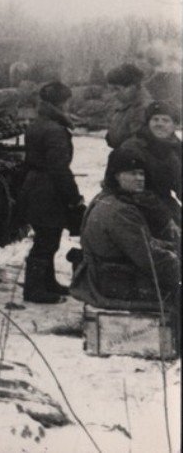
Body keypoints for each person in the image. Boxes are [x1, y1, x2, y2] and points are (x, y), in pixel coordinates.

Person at [70, 147, 180, 343]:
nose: (139, 179)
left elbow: (143, 244)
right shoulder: (120, 211)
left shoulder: (107, 198)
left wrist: (173, 249)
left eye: (141, 174)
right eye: (132, 173)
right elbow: (148, 258)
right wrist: (176, 268)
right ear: (116, 176)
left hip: (105, 275)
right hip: (113, 283)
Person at [16, 81, 85, 304]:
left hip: (36, 186)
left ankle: (47, 282)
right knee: (46, 241)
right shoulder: (55, 130)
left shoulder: (39, 123)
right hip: (48, 190)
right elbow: (59, 169)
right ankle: (35, 289)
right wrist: (73, 198)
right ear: (63, 102)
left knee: (48, 237)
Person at [121, 101, 181, 227]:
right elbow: (133, 190)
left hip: (163, 201)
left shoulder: (176, 148)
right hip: (132, 205)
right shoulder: (133, 148)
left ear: (174, 125)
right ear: (148, 123)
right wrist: (165, 216)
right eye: (155, 119)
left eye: (165, 120)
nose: (160, 124)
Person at [105, 63, 153, 149]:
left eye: (117, 89)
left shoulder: (142, 108)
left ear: (133, 87)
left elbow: (138, 142)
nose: (113, 94)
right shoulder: (123, 104)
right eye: (111, 90)